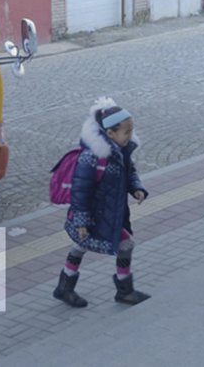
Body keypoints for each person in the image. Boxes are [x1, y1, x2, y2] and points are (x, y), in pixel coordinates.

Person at [53, 97, 151, 308]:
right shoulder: (92, 158)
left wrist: (137, 188)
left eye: (131, 130)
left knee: (80, 247)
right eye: (126, 131)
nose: (130, 135)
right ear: (110, 133)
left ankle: (65, 287)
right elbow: (80, 191)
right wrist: (81, 222)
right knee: (125, 244)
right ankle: (124, 289)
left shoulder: (122, 151)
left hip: (110, 212)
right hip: (94, 215)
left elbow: (130, 172)